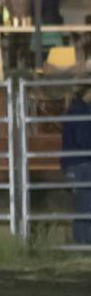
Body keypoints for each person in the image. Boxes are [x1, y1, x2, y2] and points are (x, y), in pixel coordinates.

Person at [61, 87, 91, 244]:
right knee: (85, 207)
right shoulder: (80, 111)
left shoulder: (77, 109)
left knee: (84, 206)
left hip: (77, 164)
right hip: (81, 164)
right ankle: (83, 244)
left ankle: (83, 245)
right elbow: (84, 140)